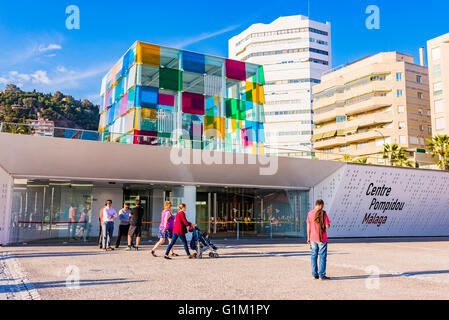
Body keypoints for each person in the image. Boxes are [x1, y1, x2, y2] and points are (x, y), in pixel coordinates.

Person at [307, 199, 331, 280]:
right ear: (320, 205)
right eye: (323, 205)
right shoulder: (323, 213)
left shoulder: (310, 213)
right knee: (322, 256)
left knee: (313, 256)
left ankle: (314, 274)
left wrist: (308, 237)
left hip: (312, 238)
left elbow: (308, 226)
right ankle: (322, 275)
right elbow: (327, 226)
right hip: (322, 238)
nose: (323, 207)